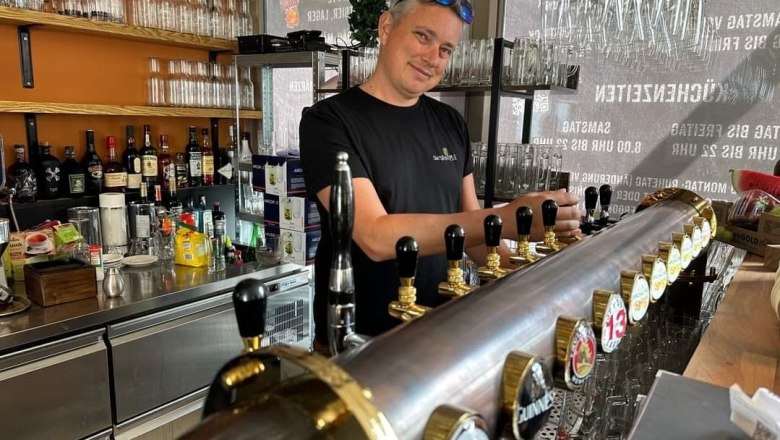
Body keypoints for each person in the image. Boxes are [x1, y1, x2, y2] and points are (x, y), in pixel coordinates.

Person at [300, 0, 581, 347]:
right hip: (357, 344)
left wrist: (528, 276)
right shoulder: (329, 121)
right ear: (386, 28)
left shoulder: (450, 123)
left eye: (445, 49)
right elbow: (375, 237)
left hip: (437, 335)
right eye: (423, 36)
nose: (432, 58)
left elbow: (473, 230)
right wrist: (507, 218)